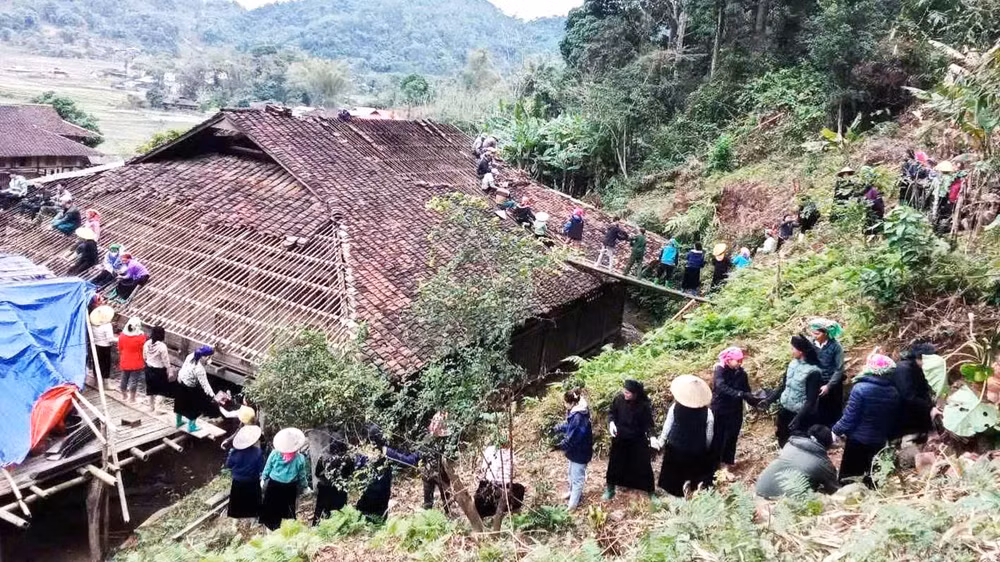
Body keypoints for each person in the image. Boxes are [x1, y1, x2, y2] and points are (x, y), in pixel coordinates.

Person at [833, 352, 901, 487]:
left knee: (849, 477)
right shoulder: (894, 392)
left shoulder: (860, 389)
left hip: (858, 440)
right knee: (871, 476)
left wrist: (835, 431)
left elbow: (849, 417)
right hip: (878, 440)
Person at [651, 375, 715, 497]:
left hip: (676, 447)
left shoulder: (675, 407)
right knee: (692, 478)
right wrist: (706, 448)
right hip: (696, 450)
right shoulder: (708, 413)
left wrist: (662, 441)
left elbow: (668, 425)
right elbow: (709, 435)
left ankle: (672, 497)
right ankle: (691, 495)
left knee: (673, 480)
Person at [763, 336, 823, 447]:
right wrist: (769, 400)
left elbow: (811, 400)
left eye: (793, 348)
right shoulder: (792, 364)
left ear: (801, 351)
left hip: (801, 415)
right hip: (786, 409)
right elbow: (784, 386)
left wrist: (798, 418)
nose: (791, 351)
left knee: (798, 443)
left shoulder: (814, 372)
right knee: (782, 437)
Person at [355, 425, 421, 522]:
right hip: (381, 496)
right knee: (378, 524)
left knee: (364, 522)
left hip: (365, 496)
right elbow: (406, 462)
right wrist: (418, 454)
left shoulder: (361, 453)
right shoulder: (386, 452)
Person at [755, 425, 840, 498]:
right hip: (784, 501)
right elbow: (834, 490)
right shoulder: (822, 463)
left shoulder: (790, 445)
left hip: (760, 489)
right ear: (828, 444)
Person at [604, 379, 655, 499]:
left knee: (644, 465)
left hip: (637, 439)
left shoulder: (643, 405)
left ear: (635, 394)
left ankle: (651, 493)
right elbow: (612, 413)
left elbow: (649, 424)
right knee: (615, 464)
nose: (625, 394)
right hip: (620, 438)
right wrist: (611, 423)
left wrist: (652, 436)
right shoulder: (619, 399)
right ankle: (610, 489)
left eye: (628, 393)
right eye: (624, 391)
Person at [710, 347, 756, 467]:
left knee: (732, 436)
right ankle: (715, 463)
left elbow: (746, 390)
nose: (740, 363)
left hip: (735, 409)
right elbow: (720, 386)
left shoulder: (741, 373)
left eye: (741, 360)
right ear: (729, 360)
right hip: (720, 408)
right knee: (718, 436)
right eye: (737, 360)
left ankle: (727, 462)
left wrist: (754, 400)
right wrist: (738, 394)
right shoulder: (720, 370)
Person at [260, 427, 311, 530]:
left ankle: (271, 533)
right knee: (288, 512)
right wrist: (305, 487)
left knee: (272, 510)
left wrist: (263, 478)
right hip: (289, 488)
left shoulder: (274, 453)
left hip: (274, 486)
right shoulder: (300, 458)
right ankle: (287, 533)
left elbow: (268, 466)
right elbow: (302, 476)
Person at [554, 389, 593, 510]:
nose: (565, 405)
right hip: (575, 451)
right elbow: (570, 427)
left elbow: (572, 437)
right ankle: (572, 494)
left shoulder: (578, 417)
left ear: (572, 403)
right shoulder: (577, 412)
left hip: (580, 452)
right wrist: (559, 428)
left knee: (577, 478)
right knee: (571, 474)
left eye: (566, 402)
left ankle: (572, 506)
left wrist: (559, 446)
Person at [892, 343, 937, 441]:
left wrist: (932, 406)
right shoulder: (903, 370)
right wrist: (929, 408)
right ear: (921, 358)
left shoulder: (917, 368)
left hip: (915, 415)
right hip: (904, 419)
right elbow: (908, 396)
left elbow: (923, 391)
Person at [807, 318, 846, 427]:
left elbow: (839, 369)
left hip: (832, 383)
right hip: (816, 381)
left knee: (834, 409)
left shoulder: (836, 347)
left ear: (826, 333)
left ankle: (834, 432)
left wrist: (829, 386)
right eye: (813, 333)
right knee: (817, 410)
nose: (814, 336)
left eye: (817, 333)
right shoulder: (810, 344)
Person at [313, 433, 356, 524]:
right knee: (339, 511)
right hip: (340, 488)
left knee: (320, 510)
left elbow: (317, 473)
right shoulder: (347, 458)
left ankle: (316, 528)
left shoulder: (324, 457)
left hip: (325, 488)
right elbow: (351, 472)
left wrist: (325, 478)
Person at [174, 345, 217, 432]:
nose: (210, 359)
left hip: (181, 380)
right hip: (190, 385)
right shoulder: (200, 369)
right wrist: (213, 395)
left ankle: (178, 422)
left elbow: (184, 366)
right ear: (204, 357)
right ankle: (191, 426)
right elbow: (205, 385)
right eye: (209, 357)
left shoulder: (191, 356)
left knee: (180, 402)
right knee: (195, 406)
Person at [226, 425, 265, 519]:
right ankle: (254, 517)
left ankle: (236, 520)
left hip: (238, 481)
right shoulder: (258, 452)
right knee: (254, 501)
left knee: (237, 501)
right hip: (252, 481)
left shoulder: (234, 452)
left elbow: (228, 465)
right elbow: (261, 468)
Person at [421, 411, 452, 512]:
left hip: (440, 473)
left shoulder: (445, 440)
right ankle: (428, 519)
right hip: (429, 472)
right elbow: (422, 455)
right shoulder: (427, 438)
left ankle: (448, 513)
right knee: (428, 502)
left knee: (446, 500)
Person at [142, 326, 172, 413]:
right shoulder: (162, 346)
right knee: (162, 390)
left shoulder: (147, 343)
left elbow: (144, 356)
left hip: (148, 368)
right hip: (159, 370)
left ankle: (151, 407)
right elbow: (165, 360)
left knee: (150, 389)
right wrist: (169, 369)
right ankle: (158, 408)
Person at [117, 317, 147, 403]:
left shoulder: (122, 336)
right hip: (137, 362)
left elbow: (120, 348)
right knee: (134, 380)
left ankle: (124, 395)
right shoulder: (141, 337)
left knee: (124, 378)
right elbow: (143, 349)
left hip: (125, 360)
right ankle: (132, 398)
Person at [89, 305, 116, 380]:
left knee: (96, 363)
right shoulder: (107, 326)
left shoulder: (93, 324)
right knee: (105, 364)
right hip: (105, 347)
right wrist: (119, 339)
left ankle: (96, 380)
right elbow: (110, 339)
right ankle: (106, 382)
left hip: (95, 345)